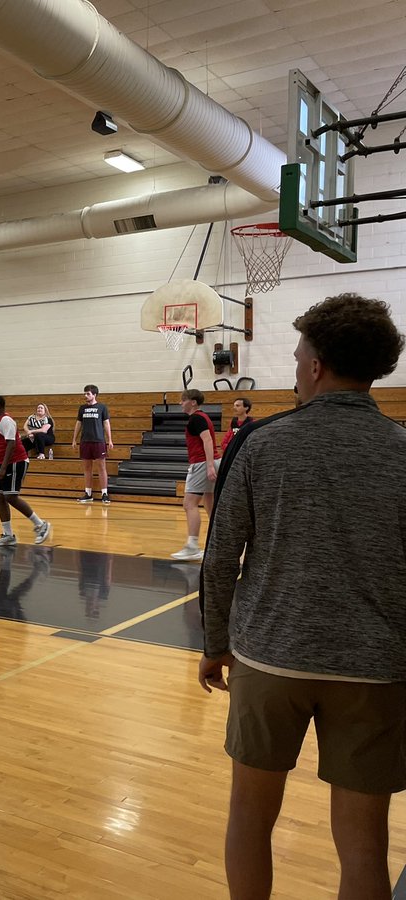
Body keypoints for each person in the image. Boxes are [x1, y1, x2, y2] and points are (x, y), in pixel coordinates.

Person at [199, 293, 406, 900]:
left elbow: (219, 560)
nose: (294, 369)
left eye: (296, 357)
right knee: (365, 845)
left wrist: (214, 644)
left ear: (315, 365)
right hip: (376, 671)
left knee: (250, 819)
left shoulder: (262, 443)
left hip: (269, 662)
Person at [0, 396, 52, 547]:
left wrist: (3, 467)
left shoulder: (6, 420)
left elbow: (12, 444)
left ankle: (41, 525)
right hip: (1, 462)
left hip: (15, 462)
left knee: (10, 496)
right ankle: (8, 535)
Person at [171, 388, 218, 561]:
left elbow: (207, 440)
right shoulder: (202, 417)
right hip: (206, 462)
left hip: (202, 463)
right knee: (209, 503)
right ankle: (218, 541)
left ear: (192, 402)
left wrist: (209, 466)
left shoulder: (196, 419)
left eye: (183, 400)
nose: (180, 403)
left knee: (189, 504)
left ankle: (192, 546)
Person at [71, 385, 112, 503]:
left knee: (101, 467)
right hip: (85, 441)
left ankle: (104, 493)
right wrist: (74, 439)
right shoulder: (82, 408)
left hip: (98, 441)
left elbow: (106, 424)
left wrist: (110, 440)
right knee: (87, 468)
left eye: (88, 394)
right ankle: (88, 493)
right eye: (85, 393)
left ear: (94, 395)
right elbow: (78, 424)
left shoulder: (102, 407)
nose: (85, 396)